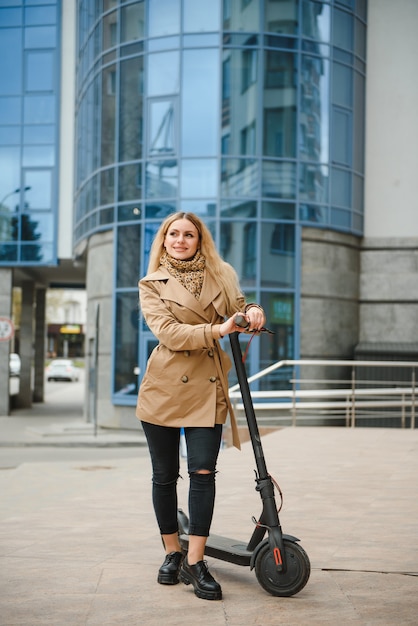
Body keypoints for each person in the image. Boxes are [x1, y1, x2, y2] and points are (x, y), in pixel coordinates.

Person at [136, 212, 265, 601]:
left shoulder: (221, 273)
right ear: (163, 240)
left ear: (198, 239)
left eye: (188, 234)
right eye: (172, 234)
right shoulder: (151, 283)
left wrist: (253, 311)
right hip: (163, 388)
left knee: (204, 473)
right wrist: (220, 329)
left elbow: (240, 305)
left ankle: (196, 561)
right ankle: (171, 553)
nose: (180, 240)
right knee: (164, 476)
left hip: (207, 388)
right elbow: (169, 333)